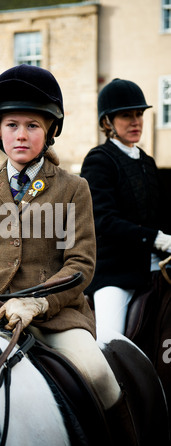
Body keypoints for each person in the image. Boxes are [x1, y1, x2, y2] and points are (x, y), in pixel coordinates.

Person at [0, 65, 139, 446]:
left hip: (57, 317)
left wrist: (37, 303)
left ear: (51, 130)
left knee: (99, 375)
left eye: (33, 126)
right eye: (12, 125)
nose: (21, 134)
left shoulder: (74, 188)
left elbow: (81, 266)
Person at [80, 78, 171, 337]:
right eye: (126, 115)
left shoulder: (147, 161)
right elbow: (103, 220)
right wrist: (155, 238)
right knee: (111, 341)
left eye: (139, 114)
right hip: (117, 274)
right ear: (108, 122)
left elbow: (163, 215)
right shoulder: (99, 160)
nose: (136, 122)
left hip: (158, 265)